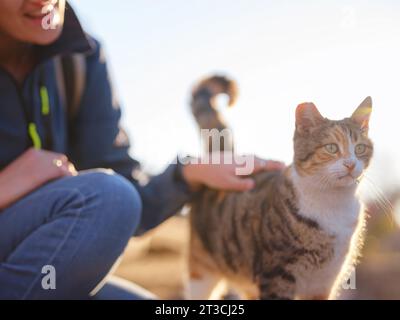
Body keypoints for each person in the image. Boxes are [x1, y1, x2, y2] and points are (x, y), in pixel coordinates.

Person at [0, 0, 283, 299]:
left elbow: (123, 203)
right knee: (108, 196)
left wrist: (188, 174)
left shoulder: (80, 57)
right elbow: (105, 200)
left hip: (38, 266)